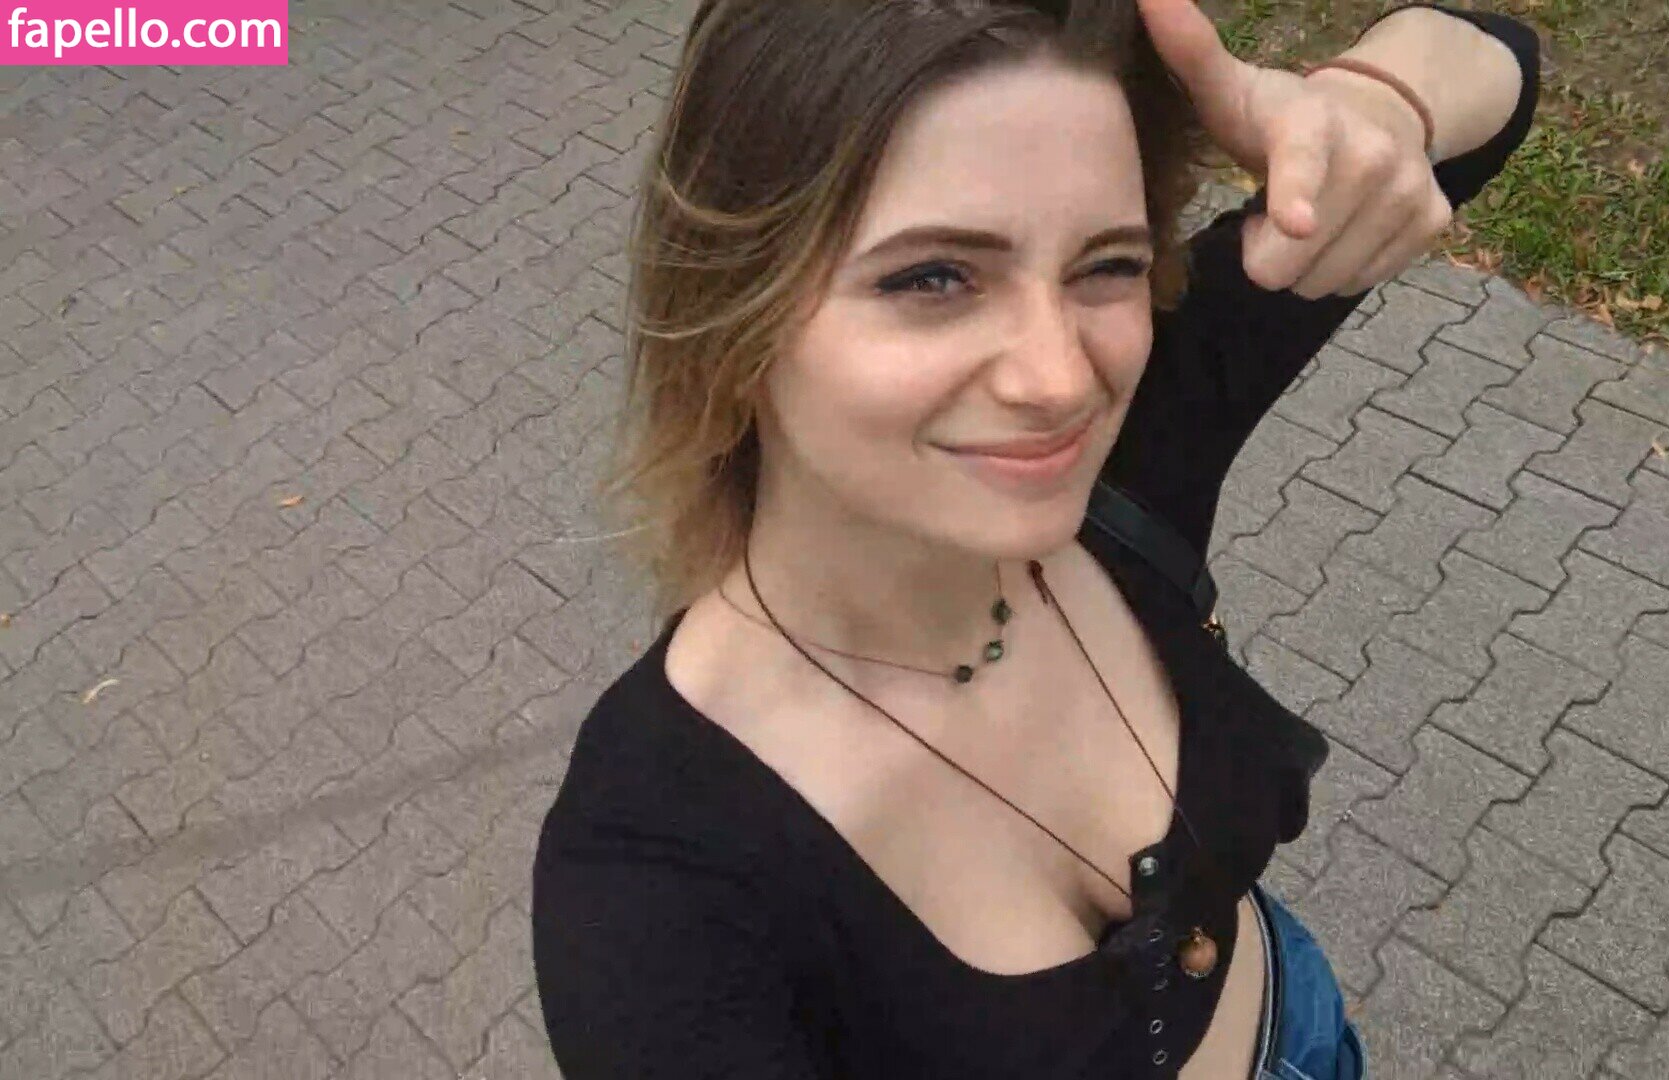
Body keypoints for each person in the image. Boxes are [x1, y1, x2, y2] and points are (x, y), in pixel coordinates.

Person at [532, 0, 1538, 1076]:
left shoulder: (1125, 463)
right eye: (934, 278)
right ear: (731, 304)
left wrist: (1364, 109)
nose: (1060, 380)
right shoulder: (655, 881)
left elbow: (1499, 65)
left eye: (1107, 264)